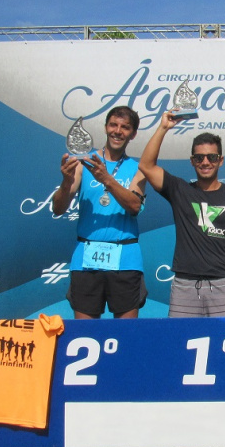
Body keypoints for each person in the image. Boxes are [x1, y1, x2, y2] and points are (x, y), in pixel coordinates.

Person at [139, 111, 225, 317]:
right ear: (192, 161)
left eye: (211, 157)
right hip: (184, 287)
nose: (205, 162)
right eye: (199, 157)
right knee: (179, 343)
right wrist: (163, 128)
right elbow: (146, 166)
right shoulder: (179, 190)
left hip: (224, 285)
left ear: (221, 160)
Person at [52, 106, 148, 319]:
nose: (118, 131)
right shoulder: (83, 161)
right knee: (84, 334)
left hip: (125, 258)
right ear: (106, 127)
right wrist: (66, 183)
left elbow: (134, 206)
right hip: (86, 258)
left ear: (132, 134)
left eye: (125, 127)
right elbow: (58, 208)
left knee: (125, 337)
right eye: (113, 125)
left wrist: (107, 179)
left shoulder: (139, 167)